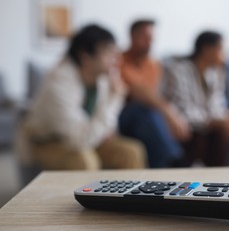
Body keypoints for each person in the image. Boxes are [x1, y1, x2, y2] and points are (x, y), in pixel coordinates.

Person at [20, 24, 146, 170]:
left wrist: (107, 130)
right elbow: (78, 140)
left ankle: (132, 193)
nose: (116, 60)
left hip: (87, 136)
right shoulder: (58, 84)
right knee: (84, 161)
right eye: (108, 53)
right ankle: (89, 193)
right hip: (49, 142)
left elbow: (105, 127)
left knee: (132, 151)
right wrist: (115, 99)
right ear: (85, 57)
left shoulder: (103, 77)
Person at [162, 31, 229, 166]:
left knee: (224, 133)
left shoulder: (215, 72)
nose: (225, 55)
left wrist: (226, 122)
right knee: (200, 138)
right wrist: (214, 122)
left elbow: (217, 106)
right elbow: (183, 108)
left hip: (205, 123)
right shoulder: (179, 70)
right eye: (222, 49)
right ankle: (185, 180)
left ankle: (218, 182)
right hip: (182, 124)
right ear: (206, 49)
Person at [119, 19, 189, 168]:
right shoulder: (119, 61)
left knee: (152, 116)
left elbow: (158, 95)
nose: (149, 42)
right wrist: (169, 112)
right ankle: (173, 158)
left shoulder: (154, 65)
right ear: (132, 37)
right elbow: (139, 92)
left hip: (147, 118)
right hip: (123, 115)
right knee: (144, 110)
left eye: (151, 38)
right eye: (144, 37)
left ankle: (166, 164)